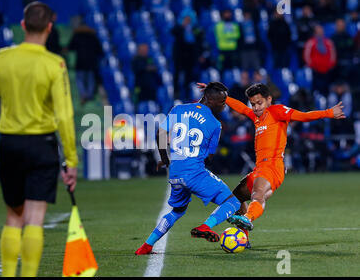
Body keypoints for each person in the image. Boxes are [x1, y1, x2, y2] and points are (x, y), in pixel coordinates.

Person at [0, 2, 78, 277]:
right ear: (49, 28)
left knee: (13, 216)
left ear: (23, 26)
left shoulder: (1, 58)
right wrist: (71, 160)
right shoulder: (54, 64)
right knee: (35, 217)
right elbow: (65, 117)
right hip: (42, 145)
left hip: (9, 143)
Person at [197, 82, 346, 247]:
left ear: (269, 99)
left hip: (273, 167)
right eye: (253, 104)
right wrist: (222, 96)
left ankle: (247, 219)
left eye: (259, 103)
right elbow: (241, 108)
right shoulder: (256, 117)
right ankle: (244, 237)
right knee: (237, 198)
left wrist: (329, 112)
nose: (255, 107)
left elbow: (303, 116)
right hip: (259, 168)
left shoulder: (277, 111)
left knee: (258, 194)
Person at [135, 82, 241, 255]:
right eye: (222, 102)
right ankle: (205, 226)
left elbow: (160, 134)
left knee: (177, 211)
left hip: (175, 172)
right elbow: (209, 157)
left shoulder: (178, 109)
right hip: (194, 172)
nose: (224, 106)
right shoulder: (215, 124)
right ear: (209, 99)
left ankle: (146, 246)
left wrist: (164, 159)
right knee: (233, 201)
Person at [67, 19, 103, 106]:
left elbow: (71, 47)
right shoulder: (93, 37)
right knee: (90, 79)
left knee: (80, 79)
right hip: (91, 63)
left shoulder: (77, 36)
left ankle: (83, 95)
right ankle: (89, 95)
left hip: (80, 62)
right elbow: (99, 50)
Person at [303, 25, 337, 96]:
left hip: (326, 71)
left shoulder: (328, 42)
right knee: (315, 90)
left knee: (326, 90)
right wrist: (312, 65)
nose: (320, 32)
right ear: (315, 32)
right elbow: (306, 55)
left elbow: (333, 55)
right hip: (315, 71)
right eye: (318, 31)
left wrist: (330, 65)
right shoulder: (311, 42)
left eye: (321, 31)